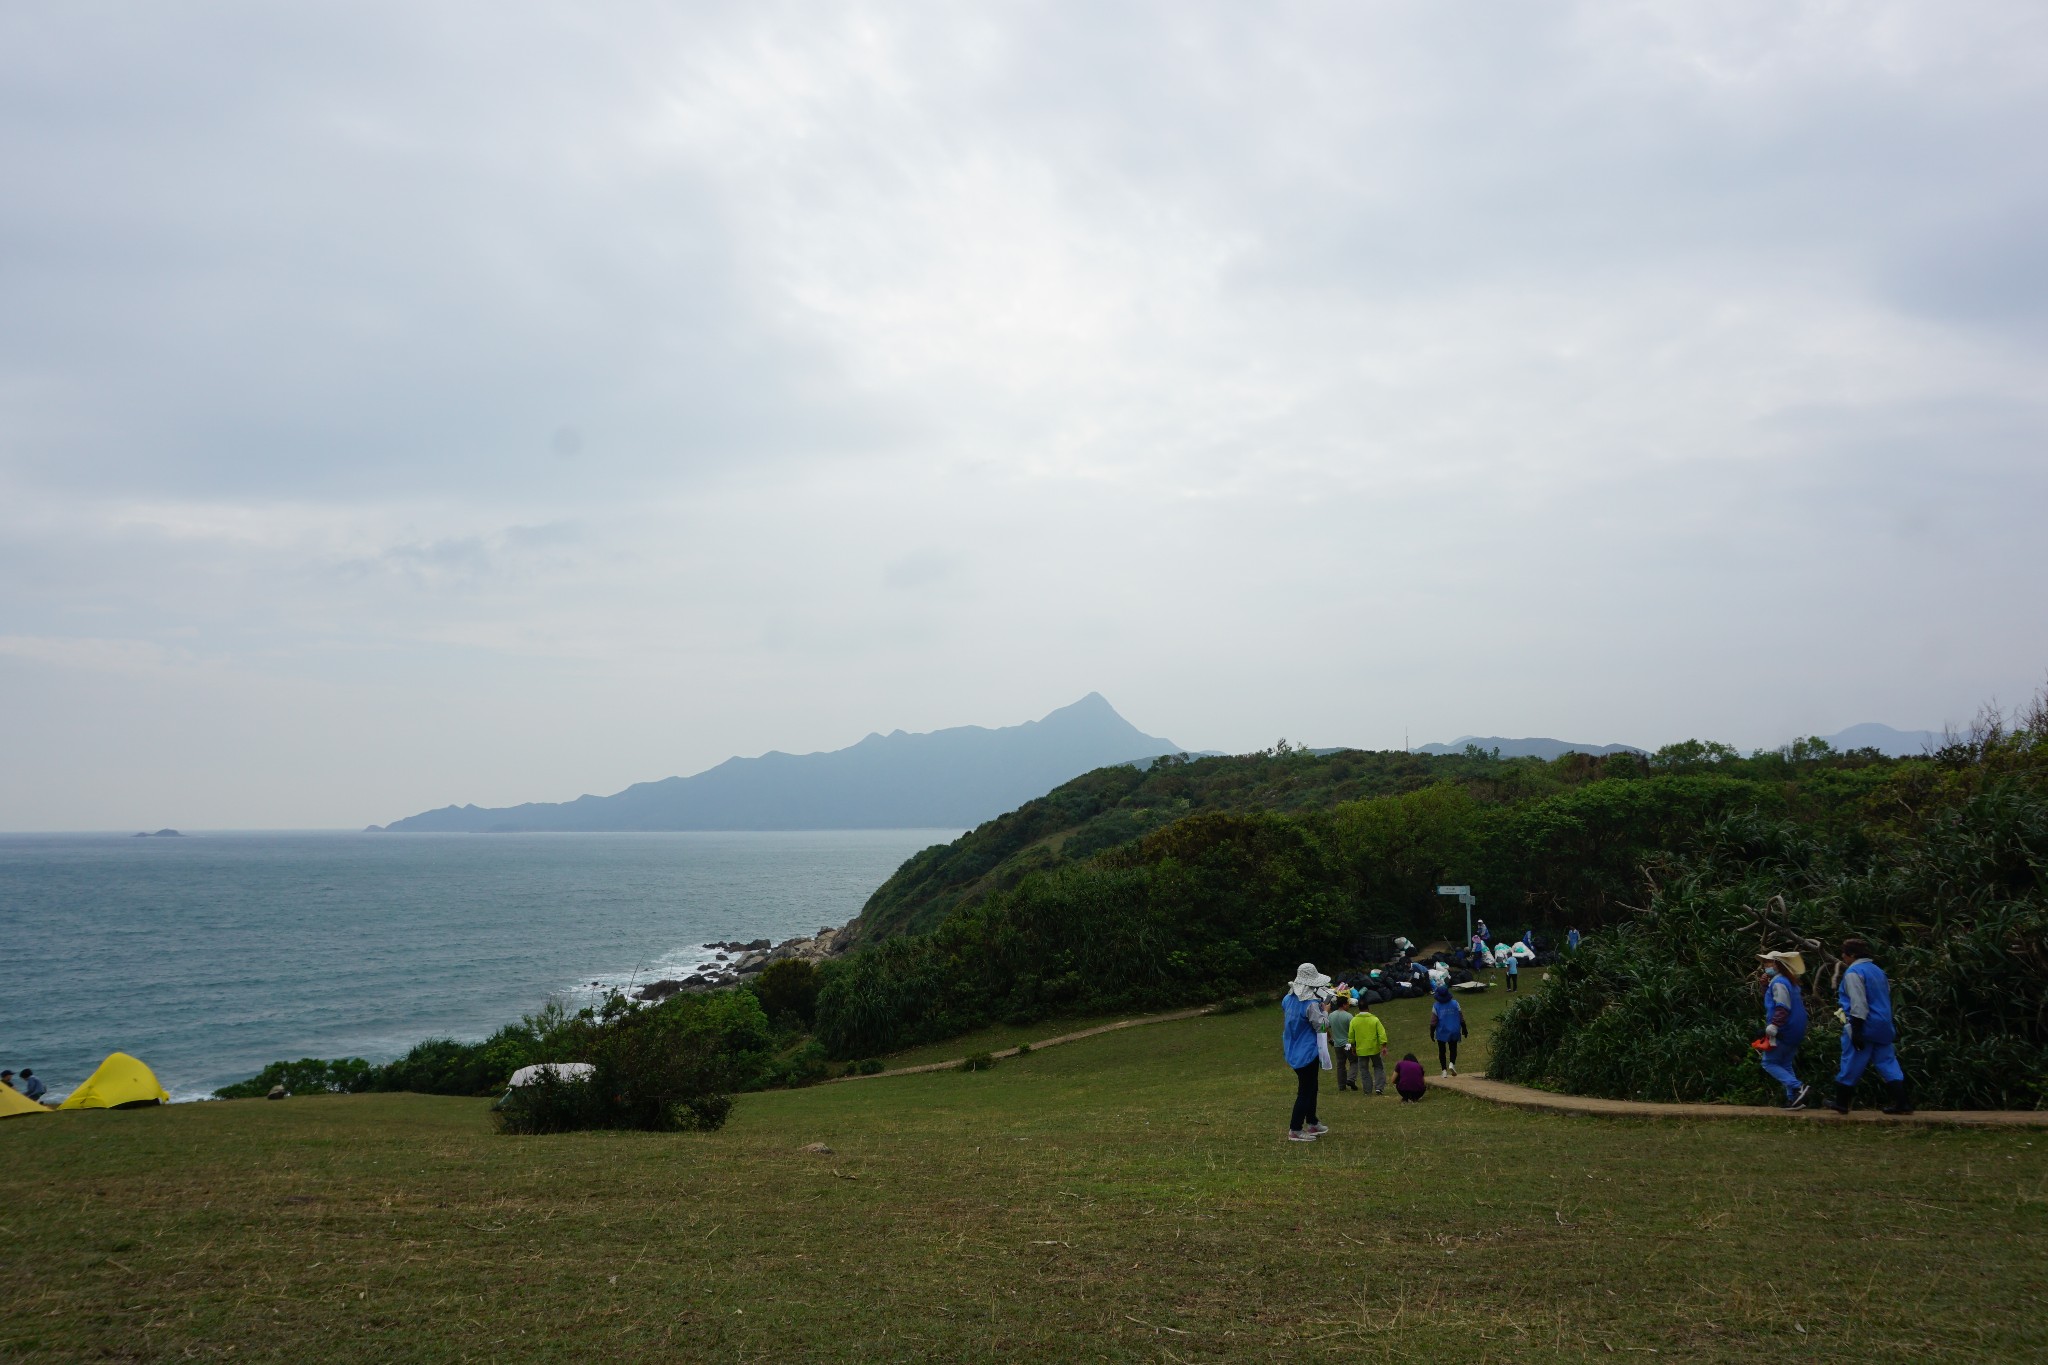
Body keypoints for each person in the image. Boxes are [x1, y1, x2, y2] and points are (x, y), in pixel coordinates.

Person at [1825, 938, 1913, 1115]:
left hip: (1864, 1023)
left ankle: (1841, 1102)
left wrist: (1856, 1029)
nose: (1843, 956)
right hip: (1884, 1024)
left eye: (1845, 953)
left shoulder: (1853, 973)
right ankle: (1902, 1102)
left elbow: (1858, 1003)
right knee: (1887, 1062)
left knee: (1851, 1061)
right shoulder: (1878, 971)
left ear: (1853, 955)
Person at [1282, 963, 1332, 1141]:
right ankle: (1295, 1128)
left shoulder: (1288, 1000)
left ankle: (1312, 1121)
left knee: (1312, 1086)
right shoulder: (1311, 1005)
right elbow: (1322, 1025)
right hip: (1307, 1052)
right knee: (1305, 1090)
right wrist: (1325, 1011)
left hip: (1292, 1049)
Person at [1756, 951, 1811, 1110]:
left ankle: (1798, 1087)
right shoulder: (1789, 981)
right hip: (1796, 1028)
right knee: (1785, 1063)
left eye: (1769, 963)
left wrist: (1774, 1026)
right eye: (1765, 963)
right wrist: (1764, 986)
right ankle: (1794, 1099)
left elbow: (1782, 1006)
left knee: (1769, 1063)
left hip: (1784, 1029)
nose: (1766, 966)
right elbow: (1774, 1000)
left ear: (1778, 964)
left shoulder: (1779, 982)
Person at [1349, 1000, 1389, 1095]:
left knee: (1364, 1070)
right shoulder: (1374, 1019)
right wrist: (1383, 1045)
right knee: (1378, 1066)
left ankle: (1367, 1090)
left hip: (1361, 1050)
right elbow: (1382, 1033)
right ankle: (1379, 1087)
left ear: (1358, 1009)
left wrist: (1353, 1047)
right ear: (1368, 1008)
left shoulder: (1354, 1021)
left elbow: (1351, 1036)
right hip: (1374, 1048)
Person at [1430, 986, 1467, 1076]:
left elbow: (1433, 1022)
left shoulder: (1436, 1006)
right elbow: (1461, 1018)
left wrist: (1431, 1033)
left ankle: (1444, 1071)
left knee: (1442, 1051)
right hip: (1454, 1029)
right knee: (1453, 1048)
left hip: (1442, 1031)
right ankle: (1452, 1063)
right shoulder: (1455, 1003)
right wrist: (1465, 1029)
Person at [1328, 994, 1358, 1091]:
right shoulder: (1348, 1016)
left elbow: (1323, 1028)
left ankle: (1342, 1086)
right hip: (1347, 1044)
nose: (1349, 1006)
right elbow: (1354, 1031)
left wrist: (1330, 1038)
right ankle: (1351, 1079)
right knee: (1354, 1061)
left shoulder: (1331, 1015)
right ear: (1344, 1005)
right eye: (1348, 1004)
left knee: (1340, 1065)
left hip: (1337, 1045)